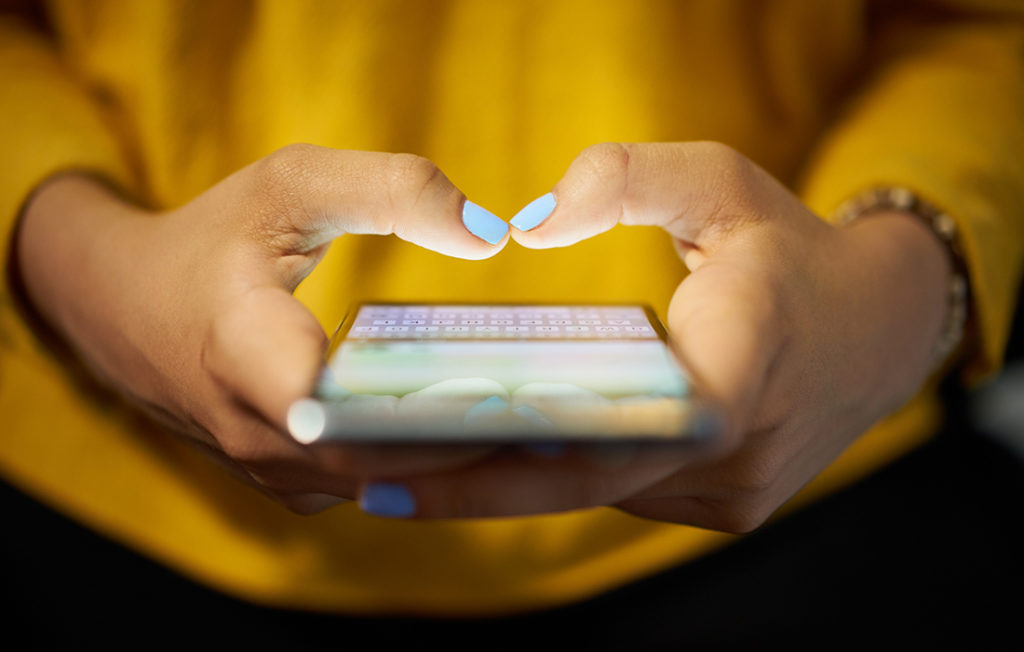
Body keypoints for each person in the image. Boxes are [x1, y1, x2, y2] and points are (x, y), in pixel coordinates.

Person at [2, 0, 1022, 644]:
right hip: (112, 525)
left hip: (817, 495)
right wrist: (71, 257)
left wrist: (892, 291)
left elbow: (980, 29)